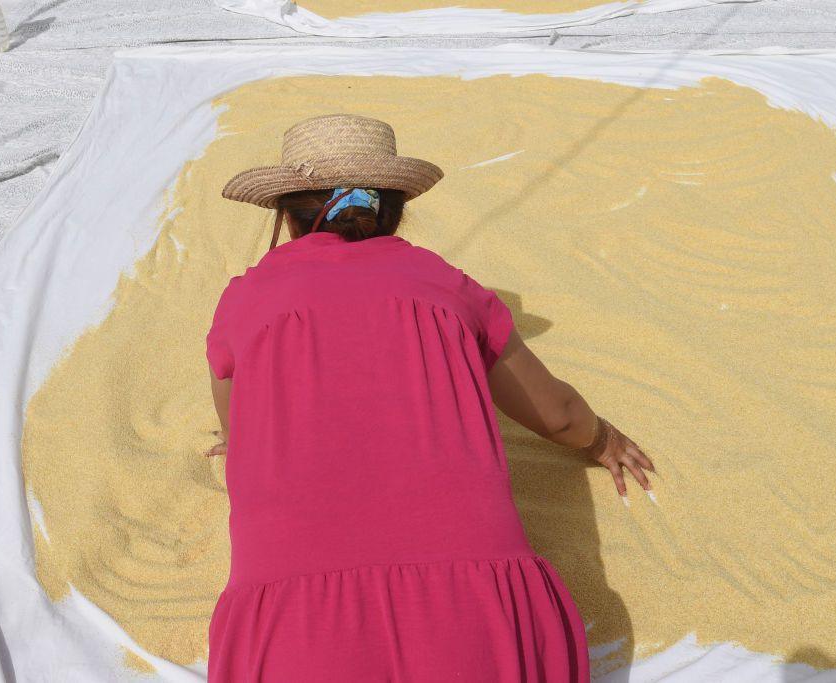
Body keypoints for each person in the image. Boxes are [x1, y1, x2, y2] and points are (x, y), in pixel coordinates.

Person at [204, 113, 655, 682]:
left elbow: (237, 426)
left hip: (293, 611)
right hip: (472, 601)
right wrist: (602, 438)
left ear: (286, 217)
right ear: (394, 210)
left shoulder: (246, 300)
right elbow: (558, 414)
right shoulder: (443, 284)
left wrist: (237, 437)